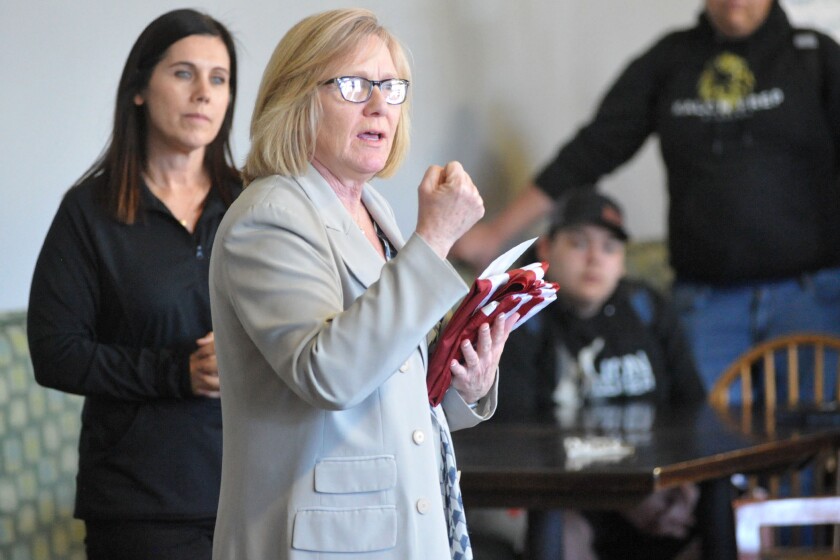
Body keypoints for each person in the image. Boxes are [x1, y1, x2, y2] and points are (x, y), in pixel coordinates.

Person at [208, 9, 517, 560]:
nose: (380, 105)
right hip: (323, 542)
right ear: (297, 97)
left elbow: (387, 385)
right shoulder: (270, 215)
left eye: (392, 87)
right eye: (354, 86)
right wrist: (436, 239)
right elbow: (329, 374)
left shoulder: (374, 211)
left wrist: (462, 387)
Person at [452, 0, 840, 395]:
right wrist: (496, 233)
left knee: (812, 441)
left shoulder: (816, 56)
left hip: (811, 297)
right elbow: (592, 149)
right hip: (707, 303)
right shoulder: (671, 60)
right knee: (708, 445)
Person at [26, 9, 240, 560]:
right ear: (141, 88)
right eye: (183, 73)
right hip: (139, 504)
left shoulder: (254, 203)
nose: (203, 94)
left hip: (256, 494)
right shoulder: (89, 211)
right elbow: (55, 353)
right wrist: (178, 372)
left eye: (219, 79)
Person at [490, 190, 706, 560]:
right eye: (578, 243)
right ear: (546, 249)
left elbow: (693, 407)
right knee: (559, 533)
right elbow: (514, 437)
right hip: (567, 496)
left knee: (720, 512)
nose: (594, 259)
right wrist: (623, 496)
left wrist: (685, 482)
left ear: (622, 261)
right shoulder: (521, 320)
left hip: (656, 486)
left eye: (609, 247)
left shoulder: (648, 308)